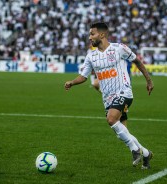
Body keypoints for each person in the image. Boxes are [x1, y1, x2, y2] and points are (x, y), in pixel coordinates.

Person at [65, 22, 154, 169]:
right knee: (122, 132)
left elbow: (137, 61)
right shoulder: (91, 56)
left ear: (102, 34)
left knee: (111, 119)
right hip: (107, 98)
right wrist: (72, 82)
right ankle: (146, 154)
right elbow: (83, 76)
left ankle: (135, 150)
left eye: (92, 34)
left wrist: (149, 80)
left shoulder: (119, 48)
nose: (89, 37)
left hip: (124, 92)